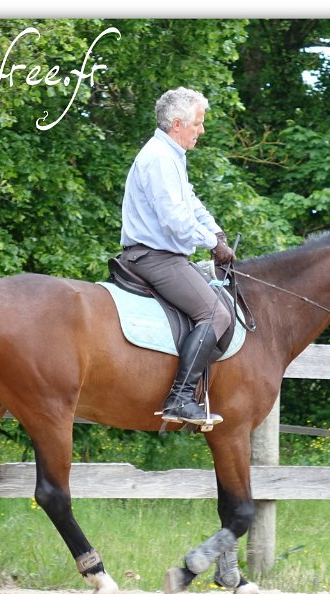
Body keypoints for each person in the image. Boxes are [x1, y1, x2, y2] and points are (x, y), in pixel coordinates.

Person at [118, 87, 236, 426]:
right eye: (198, 123)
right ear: (178, 123)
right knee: (216, 313)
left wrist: (216, 232)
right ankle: (181, 398)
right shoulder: (158, 158)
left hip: (163, 255)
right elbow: (176, 221)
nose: (201, 130)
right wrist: (210, 244)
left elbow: (191, 203)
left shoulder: (170, 155)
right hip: (156, 257)